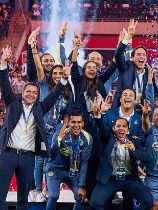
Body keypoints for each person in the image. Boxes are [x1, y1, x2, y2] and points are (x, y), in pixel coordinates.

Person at [0, 44, 66, 210]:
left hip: (28, 157)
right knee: (0, 194)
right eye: (28, 91)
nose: (31, 94)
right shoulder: (12, 102)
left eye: (34, 93)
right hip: (8, 154)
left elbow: (55, 94)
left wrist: (64, 78)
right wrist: (3, 63)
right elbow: (4, 84)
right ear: (23, 92)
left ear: (37, 96)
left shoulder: (40, 108)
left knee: (24, 197)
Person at [89, 117, 154, 209]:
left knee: (148, 201)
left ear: (128, 129)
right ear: (113, 128)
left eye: (124, 126)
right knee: (95, 204)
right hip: (110, 179)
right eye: (118, 126)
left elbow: (147, 158)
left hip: (129, 178)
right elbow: (102, 127)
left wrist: (135, 150)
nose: (121, 128)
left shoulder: (134, 140)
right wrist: (98, 117)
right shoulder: (108, 138)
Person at [45, 112, 92, 210]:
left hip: (72, 171)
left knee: (80, 197)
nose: (76, 125)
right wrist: (59, 140)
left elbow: (84, 163)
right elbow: (51, 155)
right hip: (55, 169)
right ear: (68, 123)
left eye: (79, 122)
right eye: (73, 122)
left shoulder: (87, 138)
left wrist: (81, 185)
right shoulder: (59, 133)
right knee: (53, 196)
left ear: (83, 123)